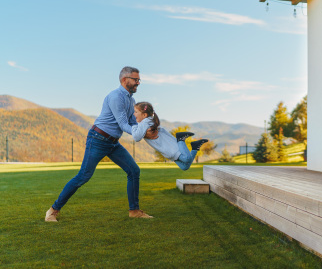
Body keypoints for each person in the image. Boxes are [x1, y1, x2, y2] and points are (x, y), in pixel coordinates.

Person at [45, 66, 157, 222]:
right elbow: (124, 124)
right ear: (124, 80)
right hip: (98, 139)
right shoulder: (116, 96)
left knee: (133, 171)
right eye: (135, 79)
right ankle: (53, 211)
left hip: (113, 143)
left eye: (139, 79)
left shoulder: (131, 100)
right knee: (83, 176)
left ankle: (134, 210)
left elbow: (133, 122)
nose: (138, 82)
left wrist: (150, 128)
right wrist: (142, 132)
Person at [134, 102, 208, 171]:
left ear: (144, 115)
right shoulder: (149, 120)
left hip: (169, 148)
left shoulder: (144, 122)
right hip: (168, 148)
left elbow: (136, 137)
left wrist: (133, 127)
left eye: (136, 112)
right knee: (184, 167)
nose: (134, 114)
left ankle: (181, 139)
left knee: (187, 159)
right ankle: (195, 147)